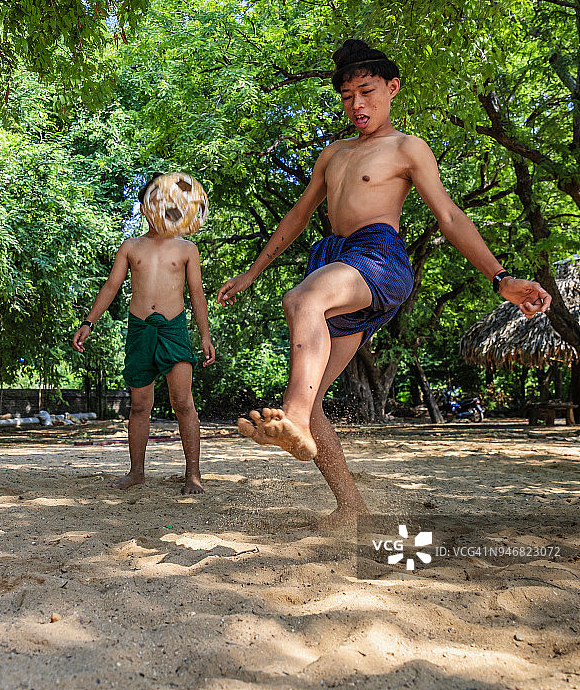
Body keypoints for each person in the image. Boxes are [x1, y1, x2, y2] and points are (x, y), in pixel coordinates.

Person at [217, 39, 552, 527]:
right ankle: (350, 506)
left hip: (377, 255)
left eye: (367, 91)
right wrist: (252, 271)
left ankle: (292, 415)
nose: (357, 104)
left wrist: (500, 277)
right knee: (316, 395)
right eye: (348, 95)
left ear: (391, 89)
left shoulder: (406, 147)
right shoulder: (331, 155)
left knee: (302, 298)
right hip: (335, 259)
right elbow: (296, 216)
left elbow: (450, 216)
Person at [72, 173, 216, 495]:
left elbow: (197, 295)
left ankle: (193, 475)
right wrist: (88, 322)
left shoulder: (187, 249)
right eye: (153, 201)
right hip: (139, 330)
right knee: (139, 406)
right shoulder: (130, 246)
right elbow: (112, 286)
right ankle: (136, 472)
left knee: (183, 402)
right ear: (143, 207)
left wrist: (204, 335)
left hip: (174, 329)